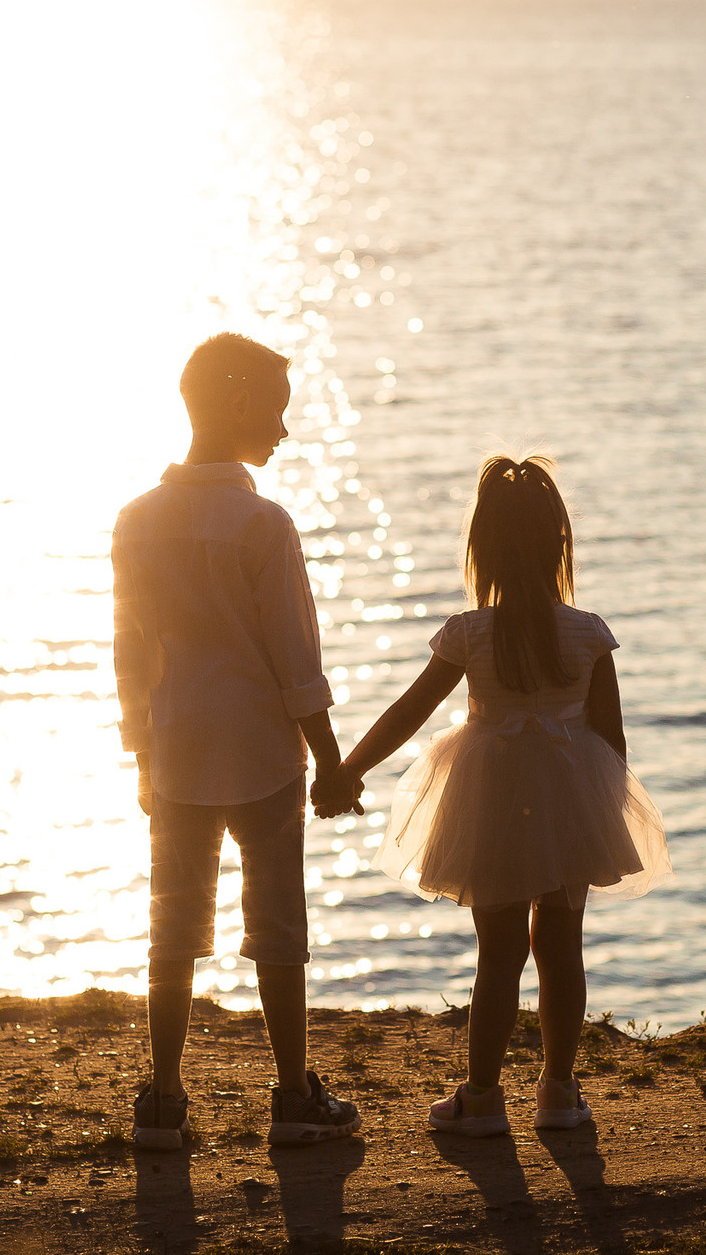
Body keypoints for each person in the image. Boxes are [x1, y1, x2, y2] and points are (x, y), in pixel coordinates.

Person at [332, 455, 670, 1136]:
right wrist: (603, 812)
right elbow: (611, 738)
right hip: (569, 795)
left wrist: (349, 769)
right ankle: (558, 1092)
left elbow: (408, 712)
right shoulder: (588, 632)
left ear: (481, 550)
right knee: (562, 946)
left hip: (489, 797)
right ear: (559, 545)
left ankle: (483, 1098)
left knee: (499, 952)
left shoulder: (469, 632)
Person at [111, 332, 365, 1150]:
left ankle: (163, 1100)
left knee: (174, 928)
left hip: (178, 754)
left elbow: (131, 652)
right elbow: (297, 659)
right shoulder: (265, 525)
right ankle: (292, 1097)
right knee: (279, 925)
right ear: (242, 404)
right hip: (262, 755)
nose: (285, 430)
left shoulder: (136, 522)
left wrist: (142, 750)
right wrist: (331, 761)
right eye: (278, 412)